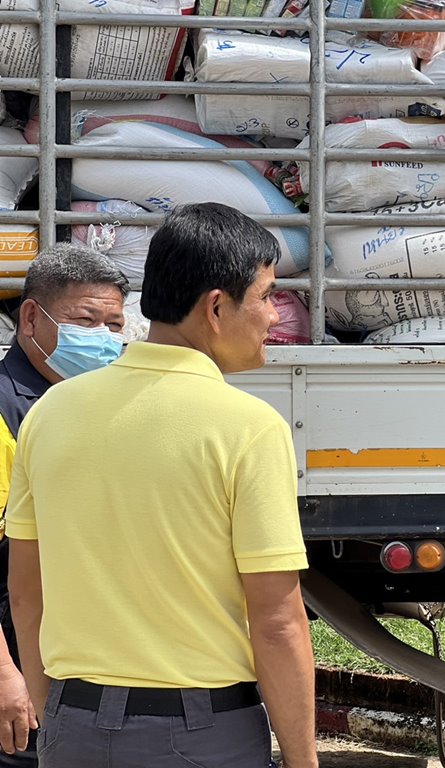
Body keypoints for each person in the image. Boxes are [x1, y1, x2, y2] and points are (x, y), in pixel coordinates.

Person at [7, 203, 318, 768]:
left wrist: (55, 715)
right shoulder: (247, 427)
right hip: (201, 733)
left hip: (73, 729)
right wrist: (303, 760)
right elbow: (277, 622)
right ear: (216, 307)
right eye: (267, 295)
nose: (275, 316)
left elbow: (27, 591)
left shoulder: (51, 412)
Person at [0, 244, 129, 766]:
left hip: (85, 673)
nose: (103, 338)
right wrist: (5, 675)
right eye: (86, 321)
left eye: (114, 325)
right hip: (20, 671)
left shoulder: (101, 405)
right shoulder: (6, 412)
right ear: (31, 318)